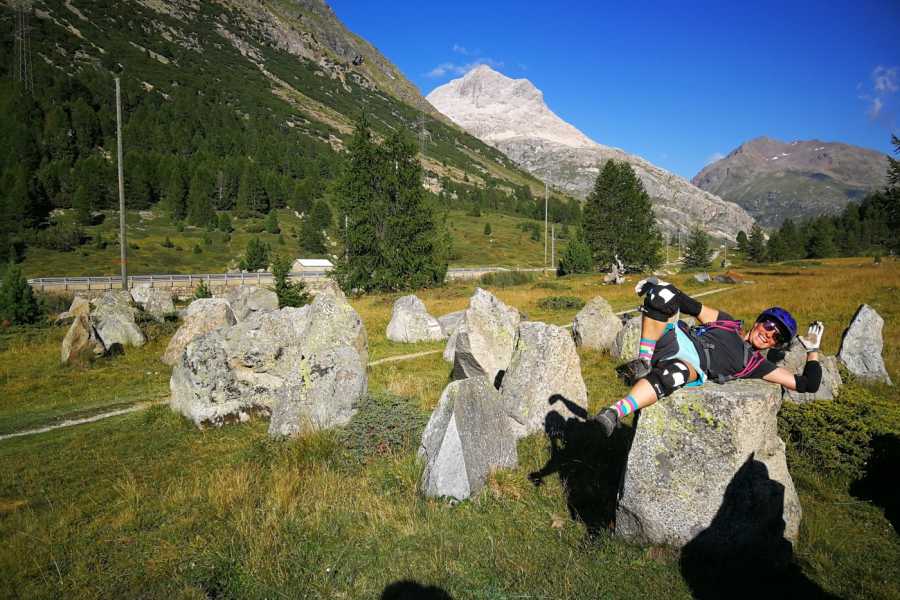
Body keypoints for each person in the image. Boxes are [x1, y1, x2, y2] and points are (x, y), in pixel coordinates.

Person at [592, 277, 824, 436]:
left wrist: (813, 351)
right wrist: (659, 288)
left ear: (776, 344)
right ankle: (643, 361)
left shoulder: (756, 364)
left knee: (674, 375)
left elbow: (808, 384)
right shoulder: (728, 323)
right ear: (759, 322)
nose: (769, 334)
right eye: (769, 325)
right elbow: (687, 303)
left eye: (776, 336)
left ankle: (613, 413)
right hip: (676, 339)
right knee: (663, 295)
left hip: (691, 365)